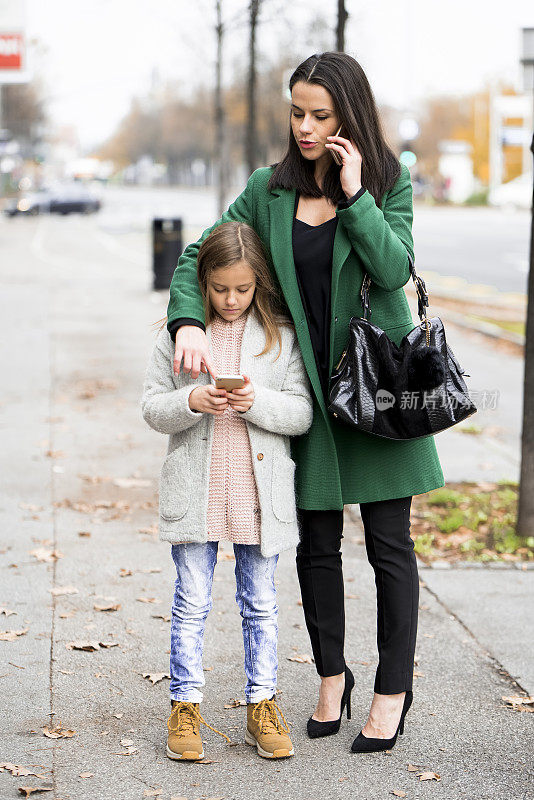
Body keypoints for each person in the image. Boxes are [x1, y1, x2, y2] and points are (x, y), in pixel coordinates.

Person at [165, 52, 445, 753]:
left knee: (389, 548)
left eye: (322, 114)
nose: (307, 127)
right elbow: (200, 253)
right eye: (298, 113)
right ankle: (331, 676)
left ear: (350, 112)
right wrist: (191, 319)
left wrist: (356, 196)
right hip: (309, 394)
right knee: (317, 547)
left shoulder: (387, 181)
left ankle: (390, 691)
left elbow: (391, 270)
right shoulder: (268, 190)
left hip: (379, 391)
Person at [141, 221, 313, 761]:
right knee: (190, 602)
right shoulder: (178, 334)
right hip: (200, 497)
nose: (232, 300)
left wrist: (254, 400)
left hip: (258, 503)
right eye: (220, 289)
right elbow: (152, 407)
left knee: (260, 604)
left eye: (243, 289)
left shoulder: (279, 337)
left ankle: (262, 702)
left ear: (259, 281)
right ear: (203, 282)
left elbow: (302, 414)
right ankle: (184, 705)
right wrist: (191, 402)